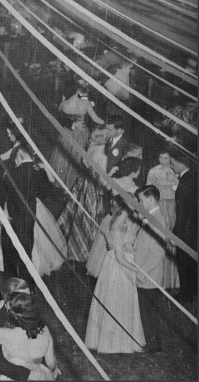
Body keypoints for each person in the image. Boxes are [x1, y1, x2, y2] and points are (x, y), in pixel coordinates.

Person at [85, 196, 145, 353]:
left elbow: (124, 244)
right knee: (116, 303)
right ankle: (113, 343)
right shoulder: (117, 225)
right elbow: (118, 257)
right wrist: (137, 269)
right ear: (127, 207)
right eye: (134, 203)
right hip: (118, 268)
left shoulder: (123, 221)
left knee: (122, 303)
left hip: (122, 265)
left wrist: (129, 247)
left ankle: (123, 341)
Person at [0, 141, 55, 290]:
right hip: (30, 217)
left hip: (12, 218)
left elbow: (5, 196)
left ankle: (11, 285)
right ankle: (27, 286)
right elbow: (47, 190)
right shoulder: (39, 170)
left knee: (10, 252)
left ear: (20, 153)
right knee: (27, 250)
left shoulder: (11, 173)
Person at [0, 292, 60, 380]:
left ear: (13, 314)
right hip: (39, 375)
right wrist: (50, 373)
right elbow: (51, 362)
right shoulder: (44, 329)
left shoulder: (7, 334)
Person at [57, 125, 109, 263]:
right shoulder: (102, 156)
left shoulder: (90, 150)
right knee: (90, 218)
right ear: (104, 139)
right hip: (93, 189)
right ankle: (85, 251)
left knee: (78, 217)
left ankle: (75, 247)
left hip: (84, 185)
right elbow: (102, 179)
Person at [49, 83, 104, 191]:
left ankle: (62, 183)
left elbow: (59, 116)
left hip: (67, 133)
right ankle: (74, 185)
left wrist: (71, 124)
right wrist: (107, 123)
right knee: (78, 159)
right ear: (79, 93)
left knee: (64, 156)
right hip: (82, 133)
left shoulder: (64, 104)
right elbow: (96, 119)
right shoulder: (86, 104)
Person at [134, 185, 168, 353]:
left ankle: (154, 346)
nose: (139, 203)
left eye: (141, 200)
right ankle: (153, 343)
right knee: (147, 311)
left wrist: (142, 271)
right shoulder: (151, 216)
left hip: (150, 275)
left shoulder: (157, 219)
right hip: (147, 274)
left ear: (151, 199)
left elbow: (157, 252)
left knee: (150, 312)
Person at [146, 148, 179, 290]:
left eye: (166, 158)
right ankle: (156, 277)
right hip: (159, 205)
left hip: (172, 207)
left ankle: (171, 280)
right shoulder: (153, 170)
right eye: (161, 157)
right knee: (158, 238)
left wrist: (175, 181)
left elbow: (181, 190)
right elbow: (148, 191)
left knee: (171, 240)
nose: (163, 161)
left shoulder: (175, 171)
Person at [168, 147, 197, 306]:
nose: (171, 167)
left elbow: (183, 211)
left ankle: (186, 296)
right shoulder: (193, 176)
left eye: (172, 163)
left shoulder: (185, 182)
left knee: (184, 263)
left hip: (186, 231)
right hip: (194, 229)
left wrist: (176, 233)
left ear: (181, 162)